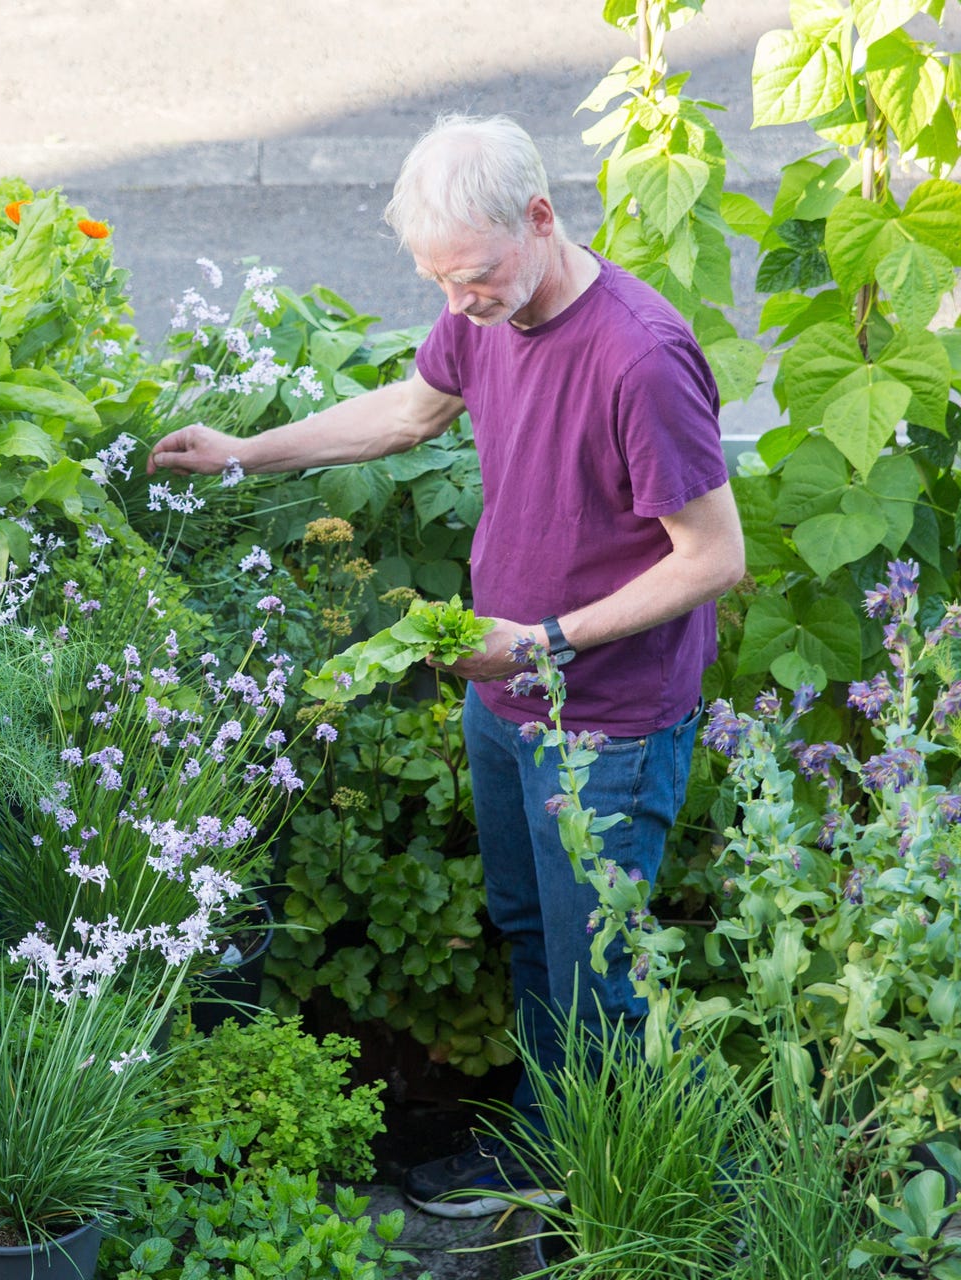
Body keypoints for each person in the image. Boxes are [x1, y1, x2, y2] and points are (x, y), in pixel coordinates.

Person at [148, 112, 745, 1217]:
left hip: (603, 717)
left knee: (594, 976)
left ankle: (619, 1195)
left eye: (471, 275)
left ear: (538, 216)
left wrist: (544, 640)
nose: (459, 299)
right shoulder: (482, 306)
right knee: (528, 932)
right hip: (502, 694)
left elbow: (713, 555)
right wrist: (245, 451)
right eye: (438, 280)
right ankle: (548, 1138)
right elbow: (408, 412)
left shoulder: (638, 355)